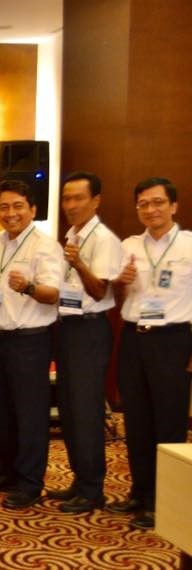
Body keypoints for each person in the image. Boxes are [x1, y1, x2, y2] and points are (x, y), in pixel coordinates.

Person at [110, 177, 192, 531]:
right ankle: (140, 492)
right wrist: (120, 282)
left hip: (173, 340)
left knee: (169, 423)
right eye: (143, 204)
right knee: (137, 421)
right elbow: (115, 296)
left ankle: (165, 501)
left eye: (158, 202)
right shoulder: (128, 245)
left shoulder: (189, 245)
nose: (150, 209)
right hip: (134, 339)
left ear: (174, 206)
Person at [0, 180, 62, 510]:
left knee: (30, 415)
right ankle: (7, 471)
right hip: (1, 339)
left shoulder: (45, 246)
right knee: (5, 411)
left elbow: (53, 294)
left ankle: (30, 483)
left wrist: (28, 287)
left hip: (31, 340)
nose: (10, 213)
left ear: (33, 210)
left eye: (18, 206)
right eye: (4, 207)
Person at [48, 172, 122, 514]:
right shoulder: (71, 235)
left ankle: (93, 489)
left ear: (96, 201)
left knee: (86, 410)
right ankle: (80, 480)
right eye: (66, 198)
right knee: (69, 408)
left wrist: (77, 262)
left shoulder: (103, 239)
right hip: (68, 328)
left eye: (78, 198)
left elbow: (99, 291)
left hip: (90, 331)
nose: (71, 205)